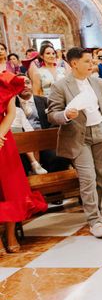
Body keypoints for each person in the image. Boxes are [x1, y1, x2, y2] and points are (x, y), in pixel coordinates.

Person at [47, 47, 102, 238]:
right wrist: (66, 115)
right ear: (74, 63)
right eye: (87, 61)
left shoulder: (97, 82)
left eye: (92, 61)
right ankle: (93, 220)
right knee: (88, 178)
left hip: (101, 132)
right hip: (78, 137)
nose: (92, 65)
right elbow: (52, 115)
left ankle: (99, 212)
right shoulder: (60, 86)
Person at [0, 72, 48, 254]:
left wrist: (0, 135)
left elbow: (11, 112)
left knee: (10, 189)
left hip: (3, 140)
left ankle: (11, 234)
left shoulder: (6, 80)